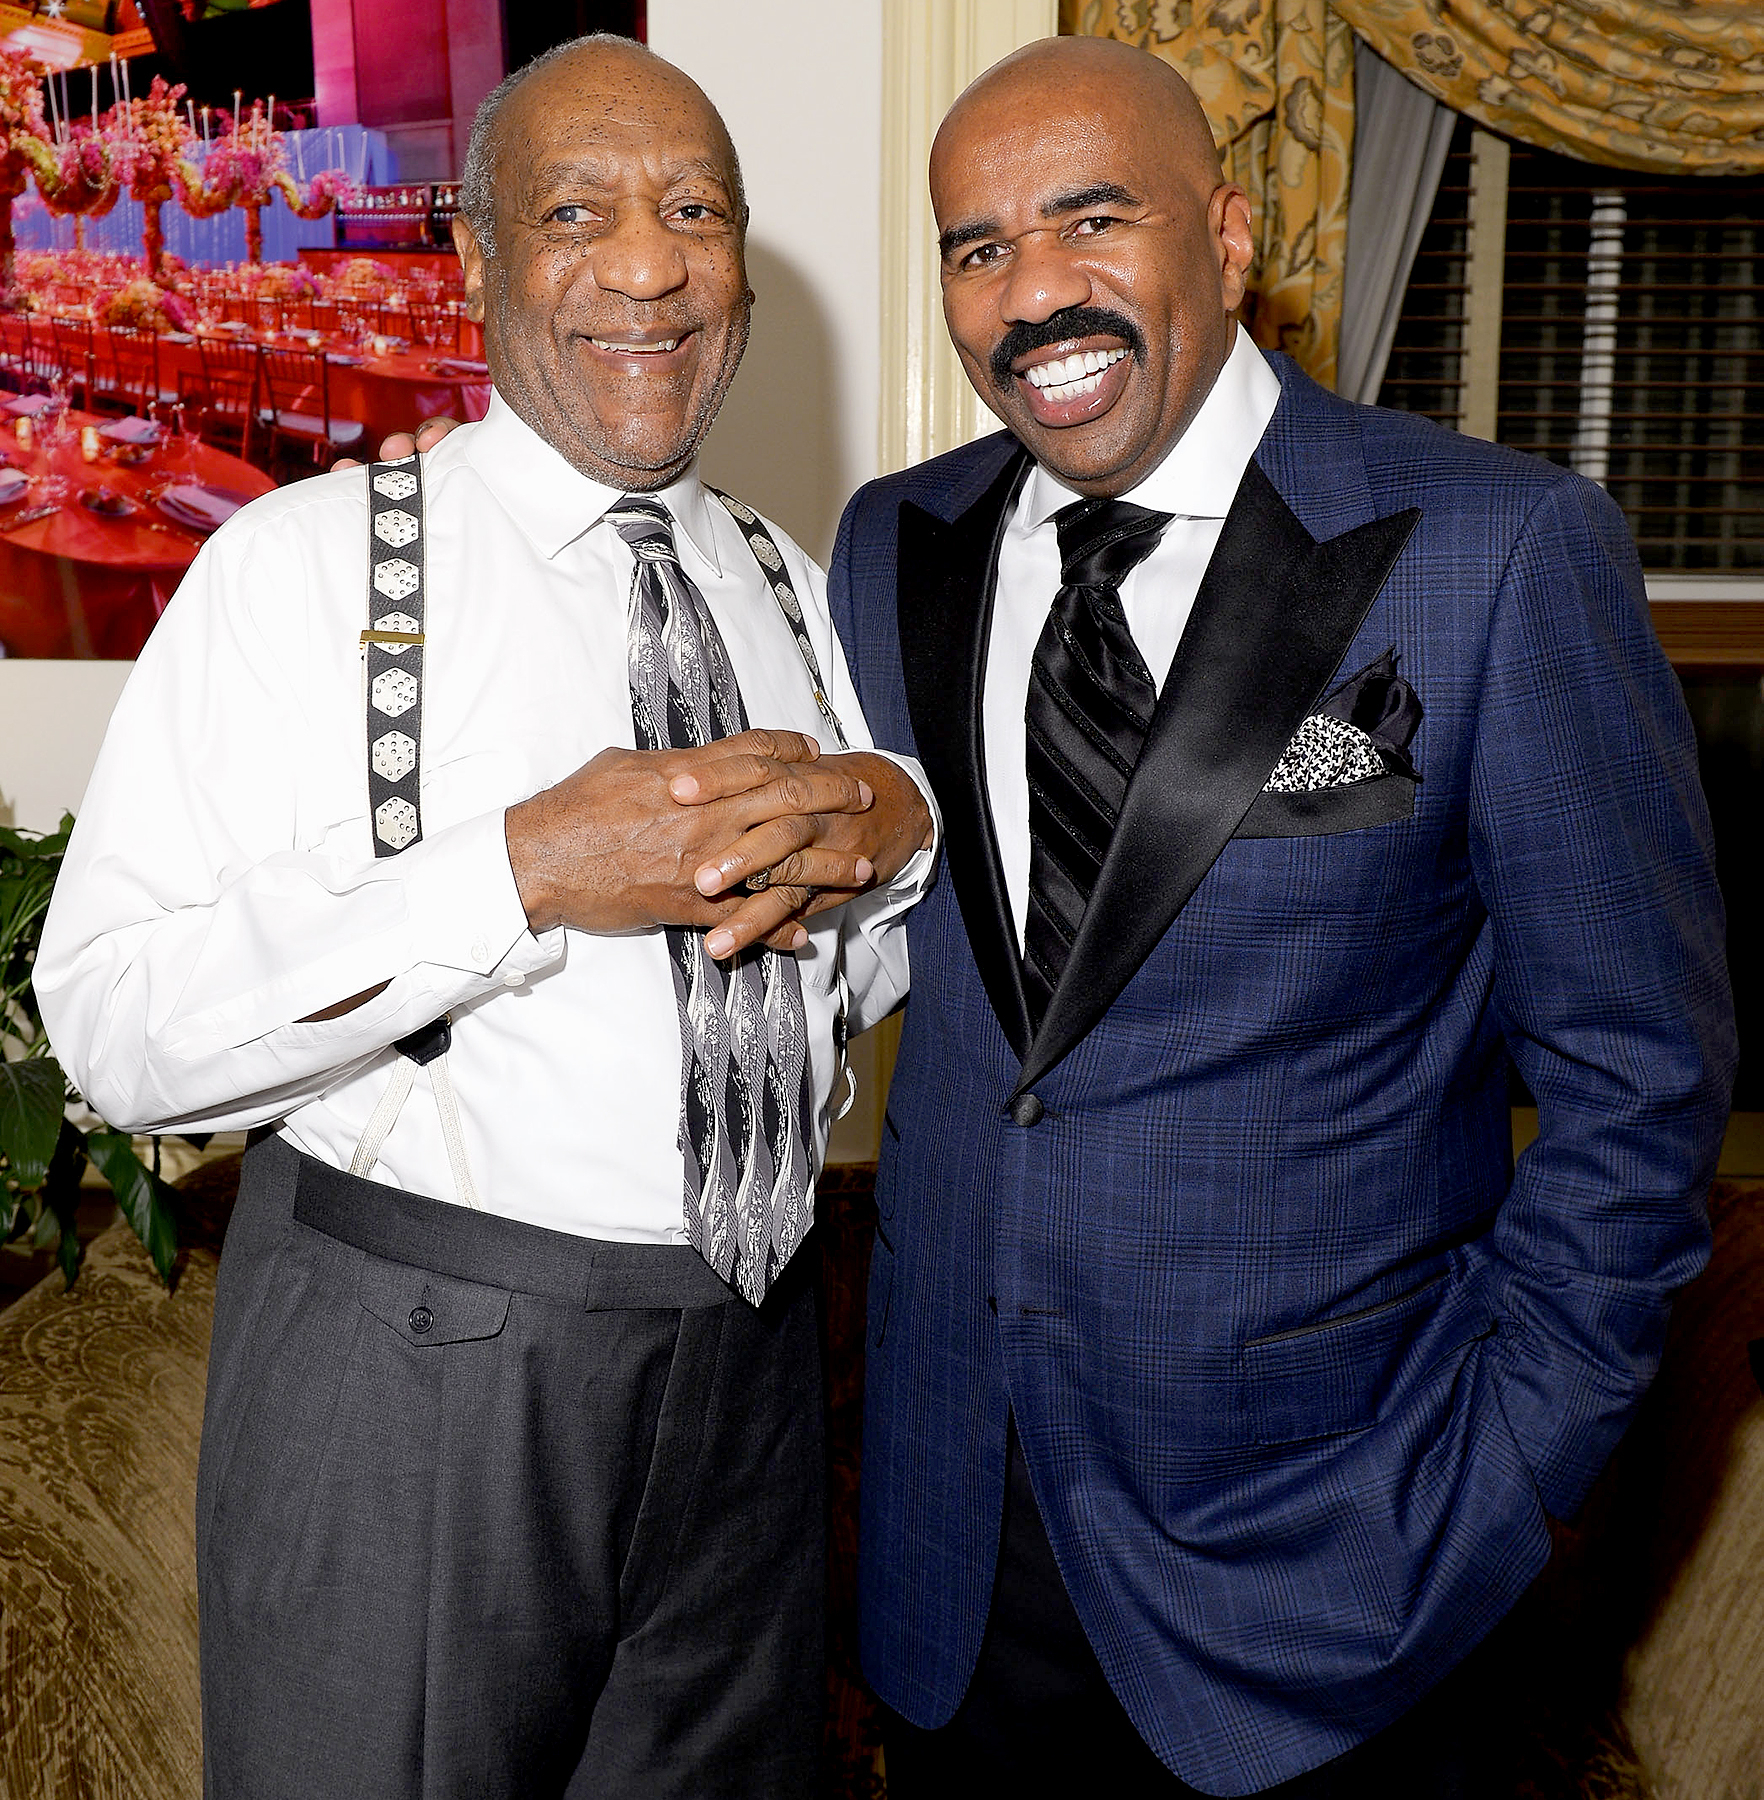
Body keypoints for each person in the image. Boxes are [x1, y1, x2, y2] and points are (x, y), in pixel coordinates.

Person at [819, 36, 1735, 1799]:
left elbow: (1644, 1083)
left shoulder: (1497, 550)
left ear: (1230, 240)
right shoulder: (893, 544)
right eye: (978, 245)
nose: (1035, 293)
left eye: (1094, 220)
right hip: (953, 1564)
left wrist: (1497, 1486)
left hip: (1340, 1572)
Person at [36, 34, 935, 1800]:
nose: (647, 263)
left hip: (751, 1373)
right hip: (415, 1381)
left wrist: (887, 848)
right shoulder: (291, 568)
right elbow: (113, 1027)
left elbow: (841, 986)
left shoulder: (790, 586)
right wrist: (514, 871)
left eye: (696, 211)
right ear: (475, 257)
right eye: (577, 211)